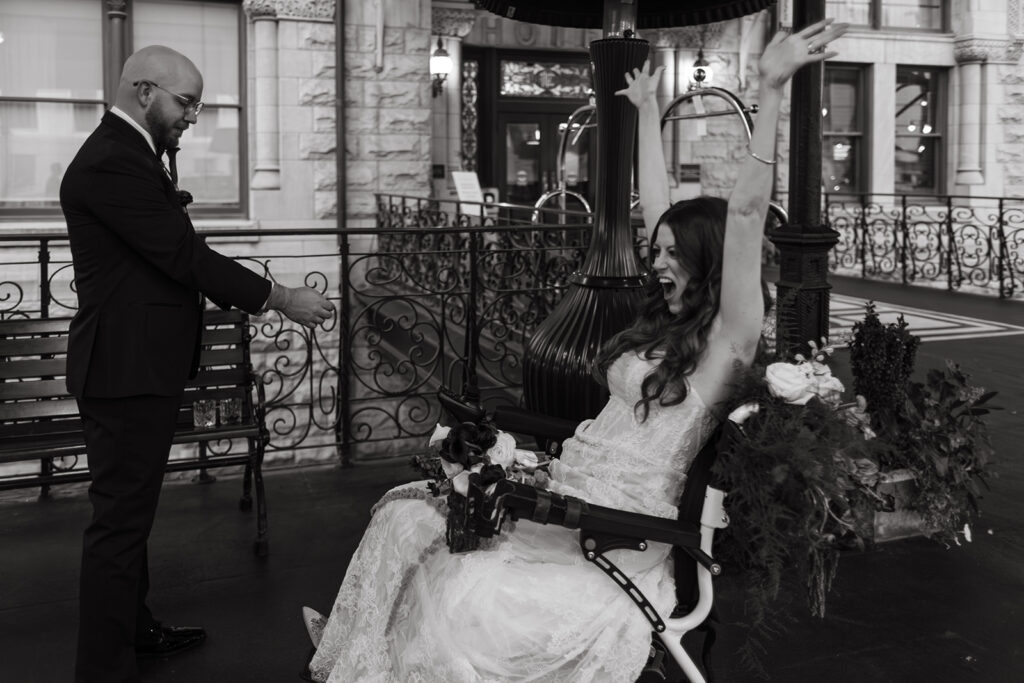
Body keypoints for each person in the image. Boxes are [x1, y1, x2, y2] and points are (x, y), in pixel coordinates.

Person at [303, 20, 848, 682]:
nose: (659, 263)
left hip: (616, 532)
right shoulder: (668, 326)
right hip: (566, 495)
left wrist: (769, 88)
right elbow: (658, 205)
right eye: (657, 252)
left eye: (674, 255)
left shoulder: (726, 344)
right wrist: (647, 111)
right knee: (405, 510)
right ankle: (363, 651)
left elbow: (743, 217)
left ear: (708, 266)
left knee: (465, 586)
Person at [61, 45, 334, 683]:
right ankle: (101, 669)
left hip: (136, 367)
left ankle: (136, 629)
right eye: (186, 103)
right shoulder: (111, 161)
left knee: (130, 517)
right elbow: (182, 256)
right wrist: (283, 297)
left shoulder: (131, 155)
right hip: (122, 372)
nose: (193, 116)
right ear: (145, 91)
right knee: (119, 525)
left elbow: (171, 249)